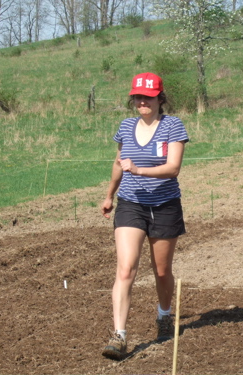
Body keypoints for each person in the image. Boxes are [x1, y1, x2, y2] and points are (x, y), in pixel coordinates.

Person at [100, 72, 189, 360]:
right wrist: (109, 195)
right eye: (138, 97)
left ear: (160, 98)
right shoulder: (126, 127)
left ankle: (164, 314)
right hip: (131, 204)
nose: (142, 102)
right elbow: (118, 162)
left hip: (164, 205)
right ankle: (119, 336)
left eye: (148, 97)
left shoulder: (172, 126)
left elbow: (173, 168)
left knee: (161, 271)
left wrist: (139, 170)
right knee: (126, 269)